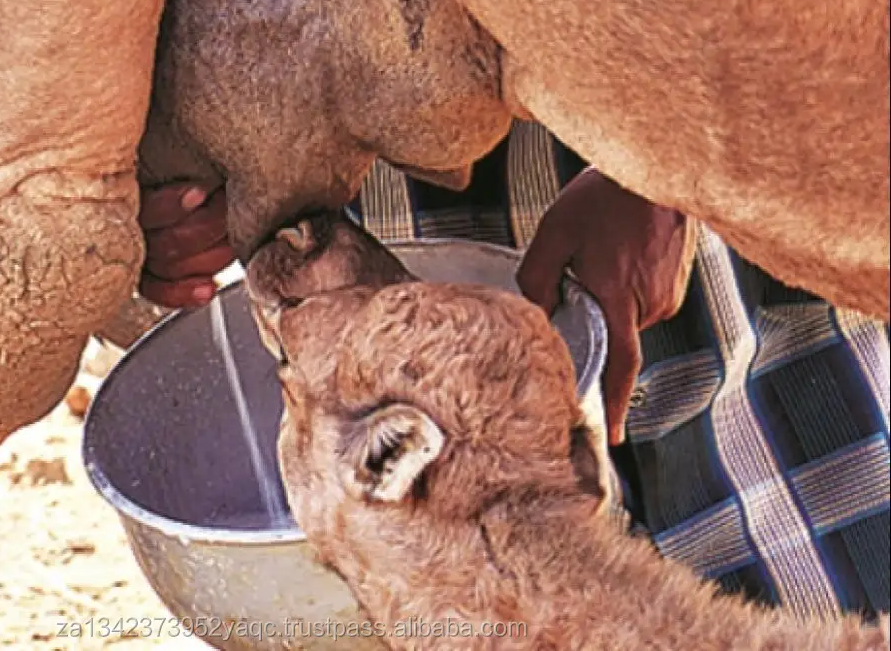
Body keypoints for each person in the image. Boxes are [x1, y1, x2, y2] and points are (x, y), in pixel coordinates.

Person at [138, 120, 890, 623]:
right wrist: (156, 204)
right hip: (397, 295)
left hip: (725, 260)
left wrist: (660, 165)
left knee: (820, 614)